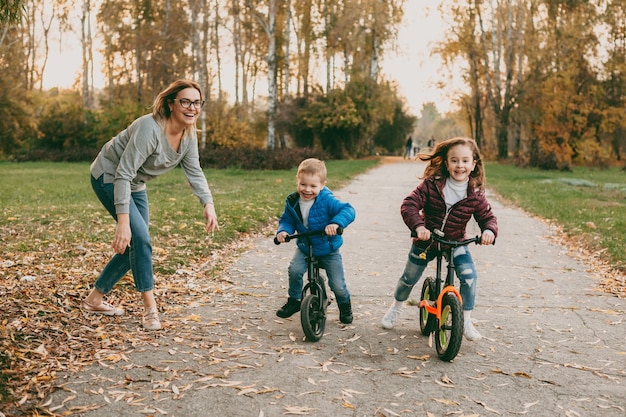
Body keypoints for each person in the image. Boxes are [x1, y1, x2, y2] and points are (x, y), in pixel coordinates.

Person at [82, 79, 219, 330]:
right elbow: (123, 173)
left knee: (138, 243)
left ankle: (94, 299)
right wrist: (123, 222)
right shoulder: (150, 128)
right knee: (140, 239)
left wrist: (207, 203)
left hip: (135, 184)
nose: (192, 108)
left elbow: (195, 171)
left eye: (197, 102)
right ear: (171, 104)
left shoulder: (188, 136)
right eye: (185, 102)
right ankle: (149, 309)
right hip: (109, 176)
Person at [381, 137, 497, 341]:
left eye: (464, 161)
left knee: (469, 276)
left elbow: (487, 217)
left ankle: (466, 319)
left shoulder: (475, 195)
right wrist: (419, 226)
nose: (459, 165)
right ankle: (396, 307)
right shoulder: (431, 185)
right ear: (446, 162)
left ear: (473, 164)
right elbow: (409, 204)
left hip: (456, 242)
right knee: (409, 277)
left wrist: (489, 231)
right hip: (427, 241)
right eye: (454, 160)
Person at [275, 158, 356, 324]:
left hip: (328, 248)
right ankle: (295, 300)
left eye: (313, 186)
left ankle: (344, 304)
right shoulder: (292, 201)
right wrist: (283, 231)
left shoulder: (327, 200)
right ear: (297, 181)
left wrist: (335, 223)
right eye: (303, 184)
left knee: (337, 284)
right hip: (305, 246)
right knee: (295, 270)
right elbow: (287, 220)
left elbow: (348, 210)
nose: (307, 190)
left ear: (322, 184)